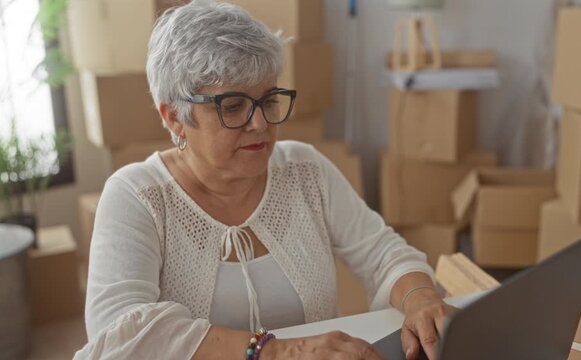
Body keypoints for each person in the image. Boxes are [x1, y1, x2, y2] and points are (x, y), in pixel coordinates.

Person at [75, 1, 456, 359]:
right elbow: (119, 332)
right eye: (234, 106)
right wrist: (275, 352)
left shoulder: (305, 169)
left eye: (269, 99)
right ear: (175, 117)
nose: (260, 124)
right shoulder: (138, 196)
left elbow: (382, 253)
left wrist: (419, 296)